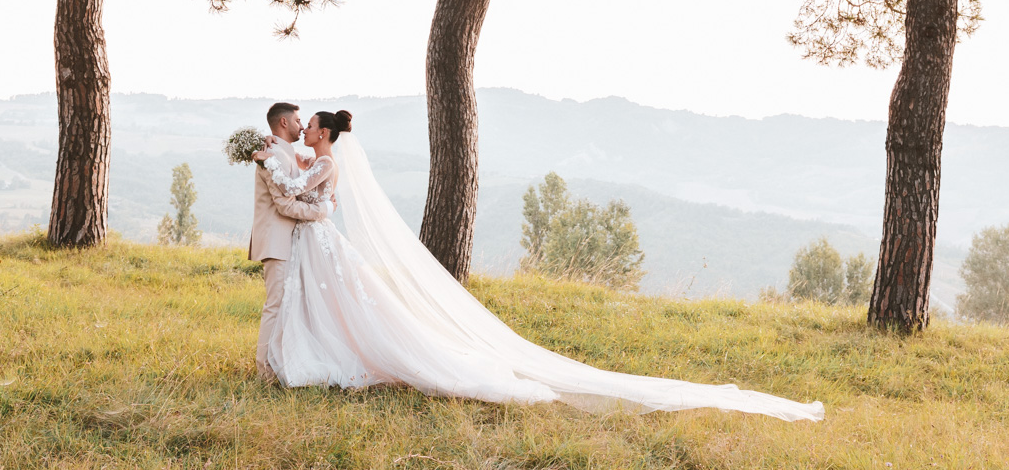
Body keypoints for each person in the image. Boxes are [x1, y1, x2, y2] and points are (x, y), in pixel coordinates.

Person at [256, 108, 823, 420]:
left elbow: (308, 195)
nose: (303, 129)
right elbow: (301, 178)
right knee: (333, 305)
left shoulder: (323, 161)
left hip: (319, 238)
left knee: (354, 307)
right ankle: (298, 355)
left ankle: (318, 358)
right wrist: (277, 158)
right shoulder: (315, 154)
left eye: (309, 126)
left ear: (324, 132)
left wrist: (273, 168)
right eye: (299, 125)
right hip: (315, 243)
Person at [247, 101, 329, 384]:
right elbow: (284, 205)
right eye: (297, 120)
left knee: (286, 305)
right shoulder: (274, 156)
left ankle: (282, 363)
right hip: (277, 239)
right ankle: (265, 373)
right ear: (283, 123)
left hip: (289, 240)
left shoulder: (284, 152)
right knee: (275, 306)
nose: (302, 126)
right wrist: (322, 211)